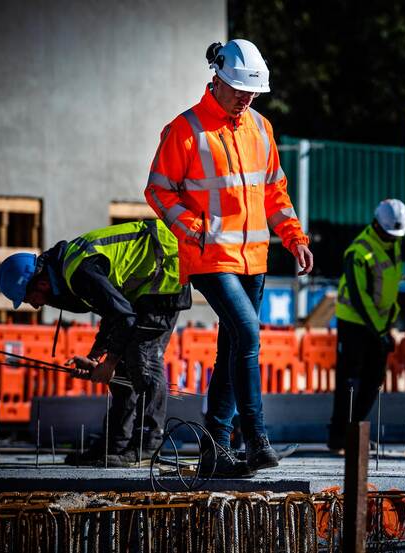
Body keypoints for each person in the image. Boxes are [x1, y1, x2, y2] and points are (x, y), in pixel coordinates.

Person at [144, 39, 313, 477]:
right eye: (239, 89)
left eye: (252, 92)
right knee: (248, 334)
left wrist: (294, 238)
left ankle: (215, 447)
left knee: (233, 347)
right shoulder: (185, 130)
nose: (246, 98)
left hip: (254, 259)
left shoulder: (261, 128)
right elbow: (158, 190)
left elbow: (274, 192)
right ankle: (256, 439)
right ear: (216, 80)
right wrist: (192, 229)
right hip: (210, 258)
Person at [0, 219, 191, 466]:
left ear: (42, 283)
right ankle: (115, 444)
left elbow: (123, 316)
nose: (34, 305)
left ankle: (147, 445)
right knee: (126, 368)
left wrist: (108, 363)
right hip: (146, 281)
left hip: (165, 271)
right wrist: (96, 357)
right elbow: (113, 312)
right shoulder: (69, 272)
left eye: (29, 298)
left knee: (144, 358)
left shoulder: (79, 273)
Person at [327, 199, 405, 453]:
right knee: (349, 380)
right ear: (377, 225)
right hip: (354, 322)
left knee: (373, 378)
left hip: (379, 324)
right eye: (389, 234)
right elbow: (360, 298)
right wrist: (380, 332)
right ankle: (338, 437)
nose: (393, 239)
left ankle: (355, 433)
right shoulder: (359, 252)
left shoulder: (395, 244)